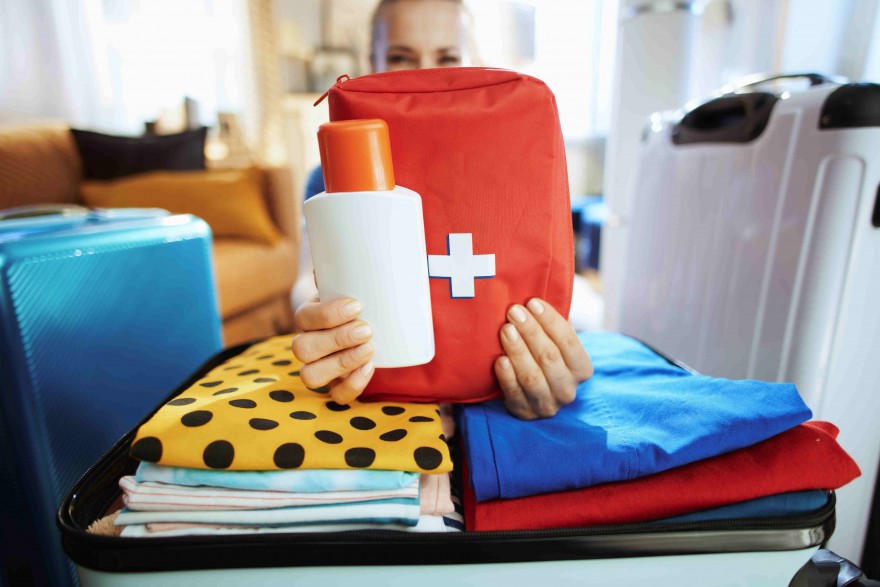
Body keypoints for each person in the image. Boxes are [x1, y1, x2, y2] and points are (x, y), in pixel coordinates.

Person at [291, 0, 593, 420]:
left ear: (468, 60)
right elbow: (304, 282)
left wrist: (562, 340)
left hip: (499, 388)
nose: (425, 74)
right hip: (377, 393)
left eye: (447, 57)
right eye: (401, 57)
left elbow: (551, 271)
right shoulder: (327, 173)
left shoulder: (511, 153)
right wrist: (322, 315)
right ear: (369, 62)